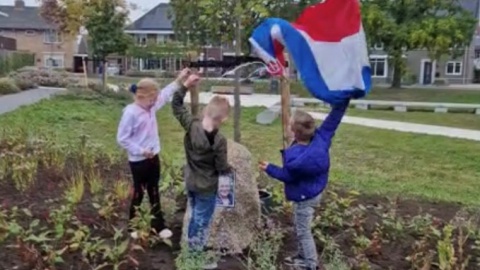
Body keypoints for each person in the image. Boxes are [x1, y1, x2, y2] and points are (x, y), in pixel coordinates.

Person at [259, 101, 350, 270]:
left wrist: (269, 168)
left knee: (303, 230)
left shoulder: (296, 160)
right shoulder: (320, 138)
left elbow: (287, 176)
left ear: (293, 132)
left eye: (288, 124)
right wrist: (343, 101)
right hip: (314, 190)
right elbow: (333, 119)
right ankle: (302, 256)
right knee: (301, 226)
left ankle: (309, 263)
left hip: (304, 197)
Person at [116, 68, 191, 240]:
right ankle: (132, 225)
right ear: (141, 97)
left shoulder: (150, 106)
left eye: (155, 100)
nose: (154, 103)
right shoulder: (131, 113)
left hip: (153, 159)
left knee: (154, 191)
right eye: (152, 100)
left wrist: (179, 79)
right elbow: (122, 139)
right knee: (139, 193)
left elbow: (165, 94)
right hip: (139, 161)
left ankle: (158, 225)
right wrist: (141, 151)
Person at [171, 75, 231, 269]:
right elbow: (221, 167)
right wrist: (229, 170)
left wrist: (185, 85)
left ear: (206, 110)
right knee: (201, 221)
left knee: (195, 218)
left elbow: (177, 106)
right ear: (224, 118)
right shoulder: (219, 141)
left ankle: (191, 251)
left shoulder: (191, 126)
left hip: (191, 181)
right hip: (207, 187)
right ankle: (194, 258)